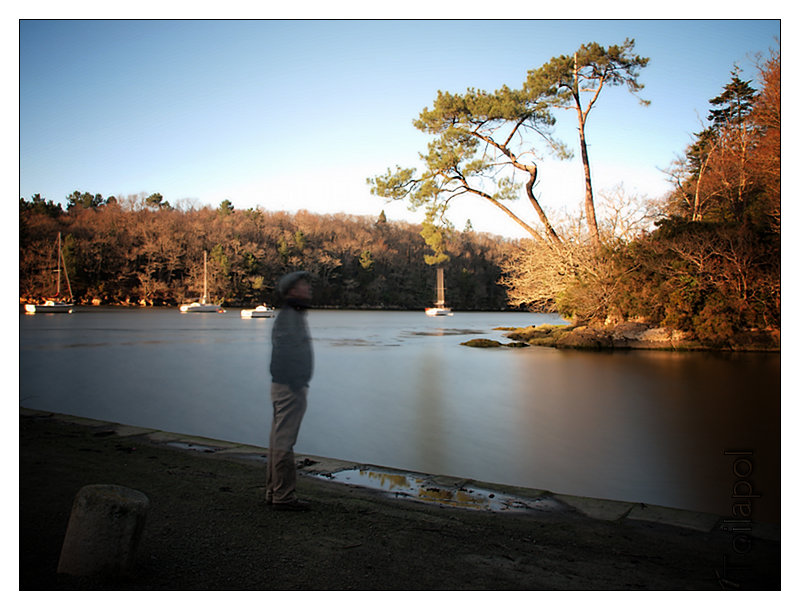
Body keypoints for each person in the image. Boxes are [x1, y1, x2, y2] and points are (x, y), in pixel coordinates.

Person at [266, 270, 314, 511]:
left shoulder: (292, 314)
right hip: (288, 387)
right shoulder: (289, 317)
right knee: (284, 440)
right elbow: (284, 353)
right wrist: (296, 383)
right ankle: (283, 496)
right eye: (304, 285)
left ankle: (273, 490)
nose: (308, 289)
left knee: (278, 439)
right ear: (293, 290)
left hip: (285, 385)